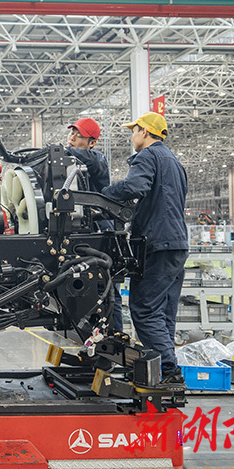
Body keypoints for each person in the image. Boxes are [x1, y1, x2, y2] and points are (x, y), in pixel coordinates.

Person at [102, 112, 188, 388]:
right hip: (177, 243)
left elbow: (136, 186)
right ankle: (160, 369)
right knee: (163, 312)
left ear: (145, 131)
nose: (132, 136)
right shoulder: (174, 161)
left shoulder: (148, 156)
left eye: (134, 130)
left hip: (157, 244)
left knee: (144, 309)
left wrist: (105, 194)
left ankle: (168, 369)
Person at [65, 118, 121, 332]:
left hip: (103, 232)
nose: (72, 137)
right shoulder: (70, 166)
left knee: (107, 289)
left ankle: (114, 335)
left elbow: (86, 158)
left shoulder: (97, 160)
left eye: (78, 135)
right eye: (71, 133)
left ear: (92, 142)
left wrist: (59, 150)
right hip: (84, 234)